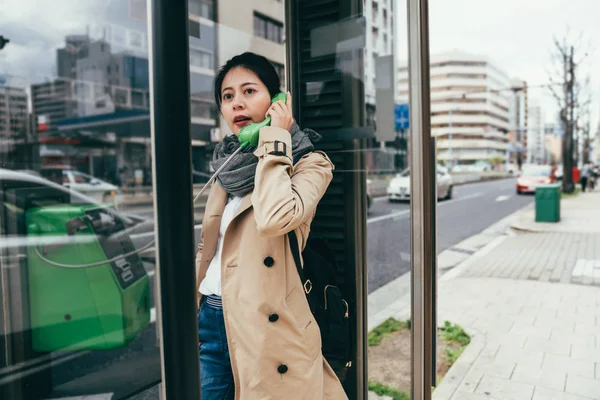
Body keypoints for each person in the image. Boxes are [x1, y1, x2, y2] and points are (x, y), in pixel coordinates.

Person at [195, 52, 347, 400]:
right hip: (213, 317)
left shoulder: (310, 164)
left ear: (277, 101)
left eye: (249, 91)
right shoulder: (227, 168)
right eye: (228, 96)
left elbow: (275, 217)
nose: (237, 104)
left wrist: (275, 140)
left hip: (265, 326)